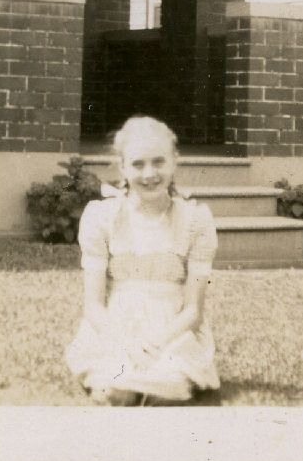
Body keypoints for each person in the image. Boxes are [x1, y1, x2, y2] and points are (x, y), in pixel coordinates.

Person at [65, 115, 219, 406]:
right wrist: (127, 343)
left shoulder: (196, 220)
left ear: (175, 161)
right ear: (122, 167)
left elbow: (193, 311)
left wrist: (156, 345)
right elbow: (94, 305)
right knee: (118, 391)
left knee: (166, 389)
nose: (149, 174)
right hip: (115, 327)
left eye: (159, 161)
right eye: (138, 164)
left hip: (173, 331)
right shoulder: (101, 217)